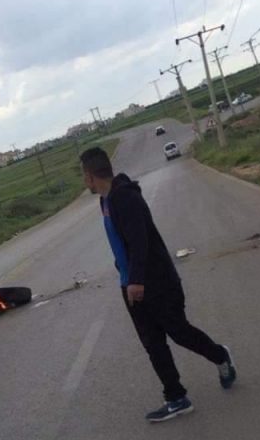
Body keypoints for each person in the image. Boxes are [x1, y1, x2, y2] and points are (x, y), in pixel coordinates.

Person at [80, 147, 235, 423]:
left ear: (91, 176)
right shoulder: (106, 201)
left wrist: (137, 280)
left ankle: (220, 355)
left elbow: (141, 241)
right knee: (153, 343)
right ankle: (176, 397)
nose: (84, 181)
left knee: (179, 332)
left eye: (84, 175)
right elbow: (122, 242)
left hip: (156, 281)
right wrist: (126, 276)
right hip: (131, 284)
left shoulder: (123, 197)